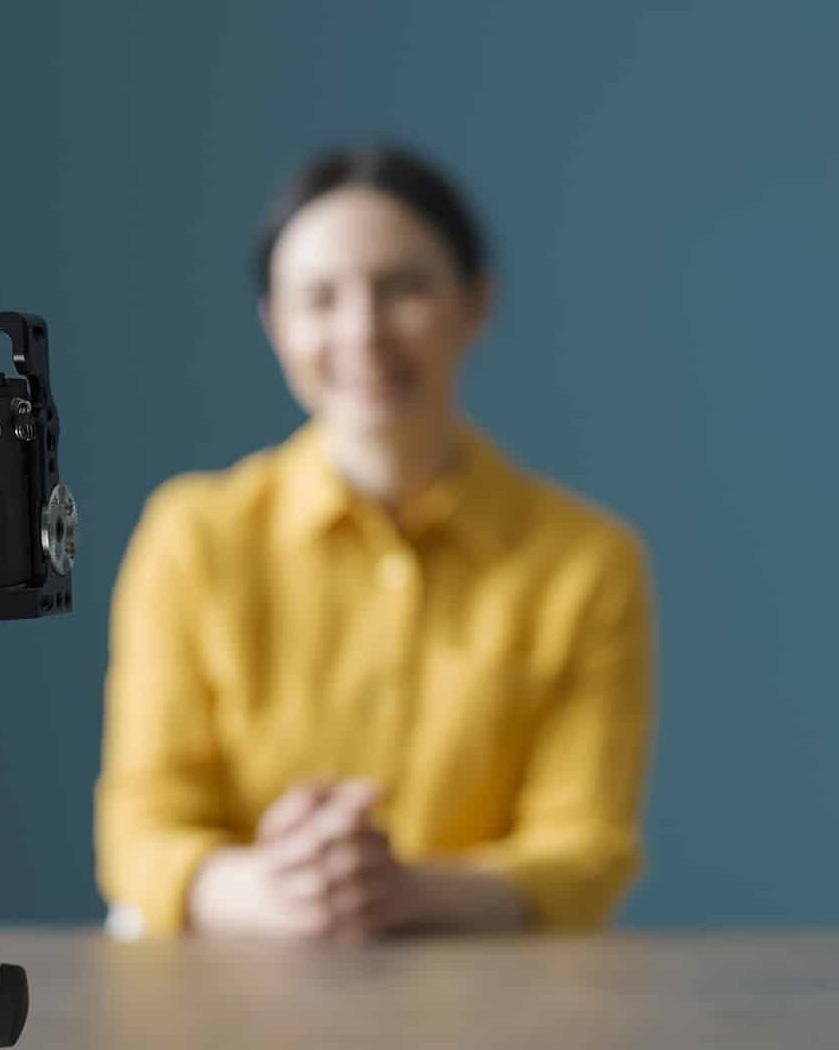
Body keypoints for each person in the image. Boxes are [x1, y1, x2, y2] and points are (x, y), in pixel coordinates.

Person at [94, 147, 655, 941]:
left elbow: (586, 851)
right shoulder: (193, 537)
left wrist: (405, 893)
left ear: (476, 303)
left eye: (403, 288)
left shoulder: (588, 561)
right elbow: (141, 831)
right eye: (320, 298)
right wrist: (282, 890)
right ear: (277, 326)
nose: (361, 332)